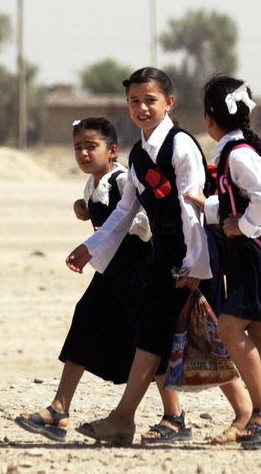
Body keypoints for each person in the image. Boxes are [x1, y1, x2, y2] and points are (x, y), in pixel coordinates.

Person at [66, 67, 251, 446]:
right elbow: (124, 212)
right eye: (134, 101)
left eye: (150, 100)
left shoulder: (181, 147)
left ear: (168, 102)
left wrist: (196, 267)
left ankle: (249, 411)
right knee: (153, 334)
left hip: (194, 253)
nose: (142, 108)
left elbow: (193, 211)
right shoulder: (138, 155)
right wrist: (91, 248)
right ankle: (125, 419)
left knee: (204, 336)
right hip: (164, 256)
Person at [14, 117, 152, 442]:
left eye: (91, 146)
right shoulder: (92, 186)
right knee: (85, 322)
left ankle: (175, 415)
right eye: (78, 147)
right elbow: (102, 212)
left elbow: (143, 220)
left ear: (113, 151)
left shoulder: (120, 180)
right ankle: (59, 409)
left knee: (150, 343)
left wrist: (113, 227)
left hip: (135, 275)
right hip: (110, 276)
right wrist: (86, 209)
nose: (84, 154)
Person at [185, 75, 261, 450]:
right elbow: (243, 199)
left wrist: (244, 227)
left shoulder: (237, 155)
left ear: (209, 119)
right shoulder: (243, 151)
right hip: (257, 260)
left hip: (252, 259)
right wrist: (211, 207)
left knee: (230, 330)